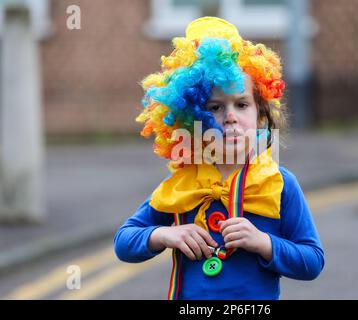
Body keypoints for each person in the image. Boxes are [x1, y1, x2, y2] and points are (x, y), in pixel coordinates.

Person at [114, 16, 324, 300]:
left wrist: (264, 243)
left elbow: (312, 260)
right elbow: (123, 242)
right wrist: (164, 235)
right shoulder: (182, 183)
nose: (230, 117)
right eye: (215, 107)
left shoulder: (279, 183)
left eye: (242, 104)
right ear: (190, 120)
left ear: (261, 117)